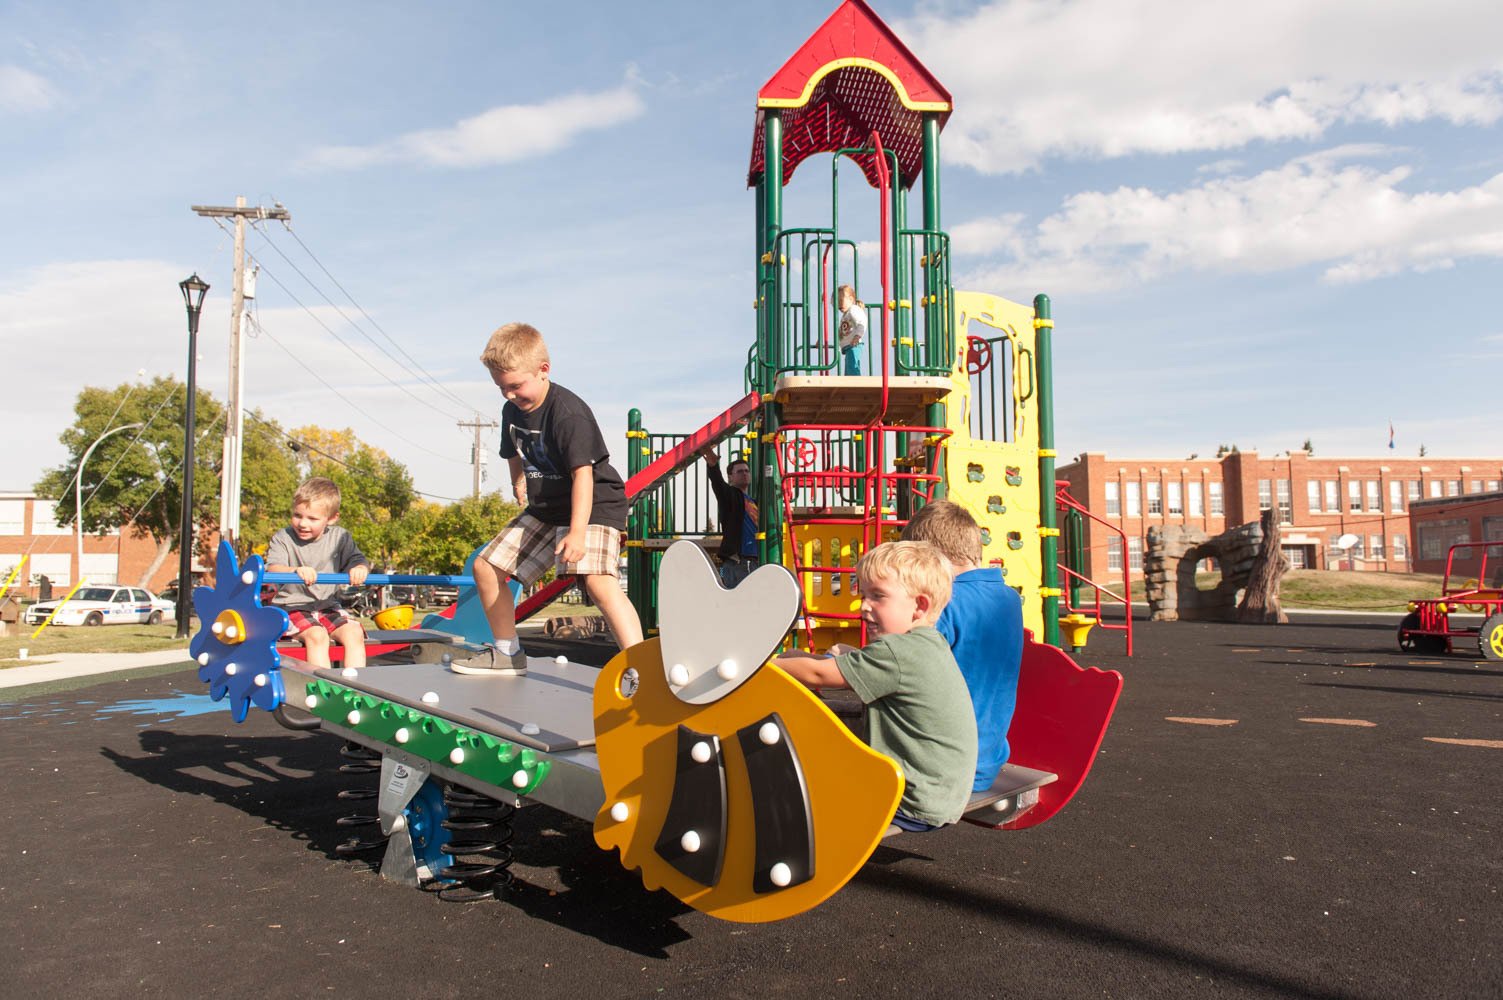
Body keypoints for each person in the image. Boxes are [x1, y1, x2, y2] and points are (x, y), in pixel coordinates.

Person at [451, 322, 643, 675]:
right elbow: (511, 449)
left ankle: (643, 666)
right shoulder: (512, 410)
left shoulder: (568, 414)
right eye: (501, 388)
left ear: (543, 371)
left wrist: (578, 532)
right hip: (547, 508)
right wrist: (518, 479)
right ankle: (508, 653)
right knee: (486, 566)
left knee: (597, 580)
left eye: (515, 386)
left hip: (595, 504)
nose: (509, 395)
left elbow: (582, 475)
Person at [776, 540, 978, 831]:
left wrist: (766, 666)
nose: (863, 606)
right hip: (939, 793)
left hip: (911, 800)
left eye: (878, 596)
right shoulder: (927, 643)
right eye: (864, 595)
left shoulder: (897, 652)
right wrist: (805, 658)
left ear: (919, 606)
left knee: (797, 773)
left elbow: (820, 676)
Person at [902, 500, 1024, 793]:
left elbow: (903, 669)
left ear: (932, 560)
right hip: (986, 759)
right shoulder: (1007, 597)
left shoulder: (944, 604)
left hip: (941, 769)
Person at [264, 476, 370, 670]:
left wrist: (359, 569)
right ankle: (324, 688)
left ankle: (356, 690)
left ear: (331, 518)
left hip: (328, 606)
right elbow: (274, 567)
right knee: (317, 635)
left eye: (312, 518)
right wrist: (295, 570)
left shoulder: (340, 537)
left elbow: (357, 560)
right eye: (297, 515)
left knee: (354, 632)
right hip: (293, 607)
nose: (303, 524)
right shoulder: (283, 538)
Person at [701, 448, 759, 587]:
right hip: (739, 561)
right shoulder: (730, 495)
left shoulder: (754, 502)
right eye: (739, 471)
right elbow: (718, 484)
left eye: (746, 471)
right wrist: (713, 466)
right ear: (730, 477)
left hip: (755, 559)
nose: (744, 474)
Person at [836, 284, 866, 376]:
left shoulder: (853, 310)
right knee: (849, 370)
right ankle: (851, 384)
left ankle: (857, 385)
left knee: (852, 367)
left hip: (854, 345)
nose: (839, 304)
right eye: (837, 301)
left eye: (841, 300)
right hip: (849, 347)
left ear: (851, 299)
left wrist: (857, 336)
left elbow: (862, 322)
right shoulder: (846, 314)